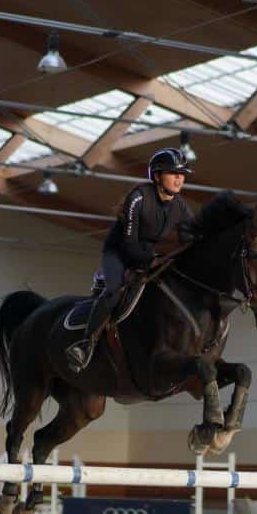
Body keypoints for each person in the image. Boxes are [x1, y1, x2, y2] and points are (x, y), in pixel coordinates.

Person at [65, 146, 195, 373]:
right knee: (114, 291)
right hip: (119, 253)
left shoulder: (181, 207)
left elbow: (190, 241)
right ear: (156, 175)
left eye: (182, 174)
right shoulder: (138, 198)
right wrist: (151, 260)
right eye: (173, 172)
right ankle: (85, 344)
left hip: (147, 253)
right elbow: (128, 243)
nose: (178, 178)